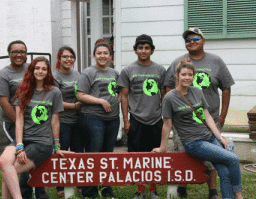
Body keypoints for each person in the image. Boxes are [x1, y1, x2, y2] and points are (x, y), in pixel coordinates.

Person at [153, 61, 243, 199]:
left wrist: (220, 138)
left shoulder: (197, 91)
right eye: (184, 74)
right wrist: (162, 148)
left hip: (210, 138)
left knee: (224, 172)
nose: (187, 77)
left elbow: (207, 116)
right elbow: (167, 123)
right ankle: (238, 195)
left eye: (190, 74)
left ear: (194, 76)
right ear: (177, 76)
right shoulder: (170, 98)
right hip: (194, 143)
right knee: (233, 159)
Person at [164, 28, 235, 199]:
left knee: (213, 158)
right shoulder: (177, 62)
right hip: (184, 124)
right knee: (182, 155)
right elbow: (167, 88)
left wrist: (223, 115)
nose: (192, 41)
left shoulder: (216, 61)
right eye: (188, 39)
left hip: (208, 120)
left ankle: (213, 192)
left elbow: (226, 87)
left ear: (203, 40)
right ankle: (182, 189)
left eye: (196, 38)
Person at [0, 57, 71, 199]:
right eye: (37, 68)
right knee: (4, 162)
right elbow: (19, 120)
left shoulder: (54, 92)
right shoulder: (23, 90)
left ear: (48, 72)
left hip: (42, 143)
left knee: (10, 170)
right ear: (31, 70)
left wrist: (56, 146)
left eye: (44, 69)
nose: (40, 71)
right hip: (23, 139)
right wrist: (19, 146)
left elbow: (55, 121)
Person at [0, 40, 49, 199]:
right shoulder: (3, 75)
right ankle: (26, 193)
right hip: (13, 124)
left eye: (22, 51)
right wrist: (23, 125)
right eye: (15, 52)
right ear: (9, 54)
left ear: (26, 54)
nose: (19, 55)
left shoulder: (31, 70)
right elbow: (4, 103)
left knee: (17, 163)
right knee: (19, 158)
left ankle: (33, 192)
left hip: (34, 123)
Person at [117, 34, 166, 199]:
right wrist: (126, 120)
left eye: (146, 48)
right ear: (135, 50)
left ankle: (153, 190)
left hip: (155, 120)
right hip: (136, 120)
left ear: (152, 50)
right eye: (140, 48)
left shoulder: (160, 70)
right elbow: (124, 96)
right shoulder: (128, 70)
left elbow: (164, 95)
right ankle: (140, 190)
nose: (143, 51)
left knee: (154, 157)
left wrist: (164, 117)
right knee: (136, 157)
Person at [77, 42, 120, 199]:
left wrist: (117, 101)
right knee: (94, 155)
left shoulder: (114, 73)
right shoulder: (88, 72)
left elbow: (120, 92)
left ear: (110, 55)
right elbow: (80, 95)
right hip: (93, 117)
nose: (102, 56)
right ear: (94, 55)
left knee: (107, 155)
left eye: (105, 53)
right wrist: (100, 101)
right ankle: (90, 192)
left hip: (113, 119)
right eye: (99, 53)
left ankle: (106, 188)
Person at [52, 46, 84, 197]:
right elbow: (53, 100)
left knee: (78, 154)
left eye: (71, 56)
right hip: (62, 121)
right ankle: (60, 186)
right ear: (59, 59)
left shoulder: (77, 74)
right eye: (65, 56)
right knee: (62, 154)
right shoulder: (54, 76)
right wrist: (74, 106)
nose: (69, 59)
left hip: (77, 121)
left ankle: (79, 183)